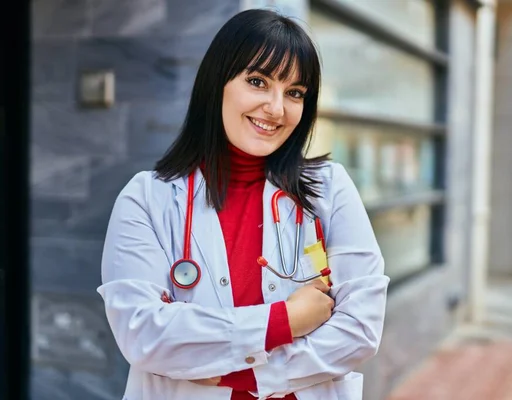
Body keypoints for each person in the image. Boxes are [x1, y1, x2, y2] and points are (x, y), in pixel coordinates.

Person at [97, 8, 389, 400]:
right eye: (257, 81)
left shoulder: (328, 189)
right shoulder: (147, 199)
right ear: (217, 83)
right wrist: (284, 320)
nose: (276, 108)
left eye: (295, 93)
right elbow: (145, 334)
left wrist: (245, 377)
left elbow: (360, 329)